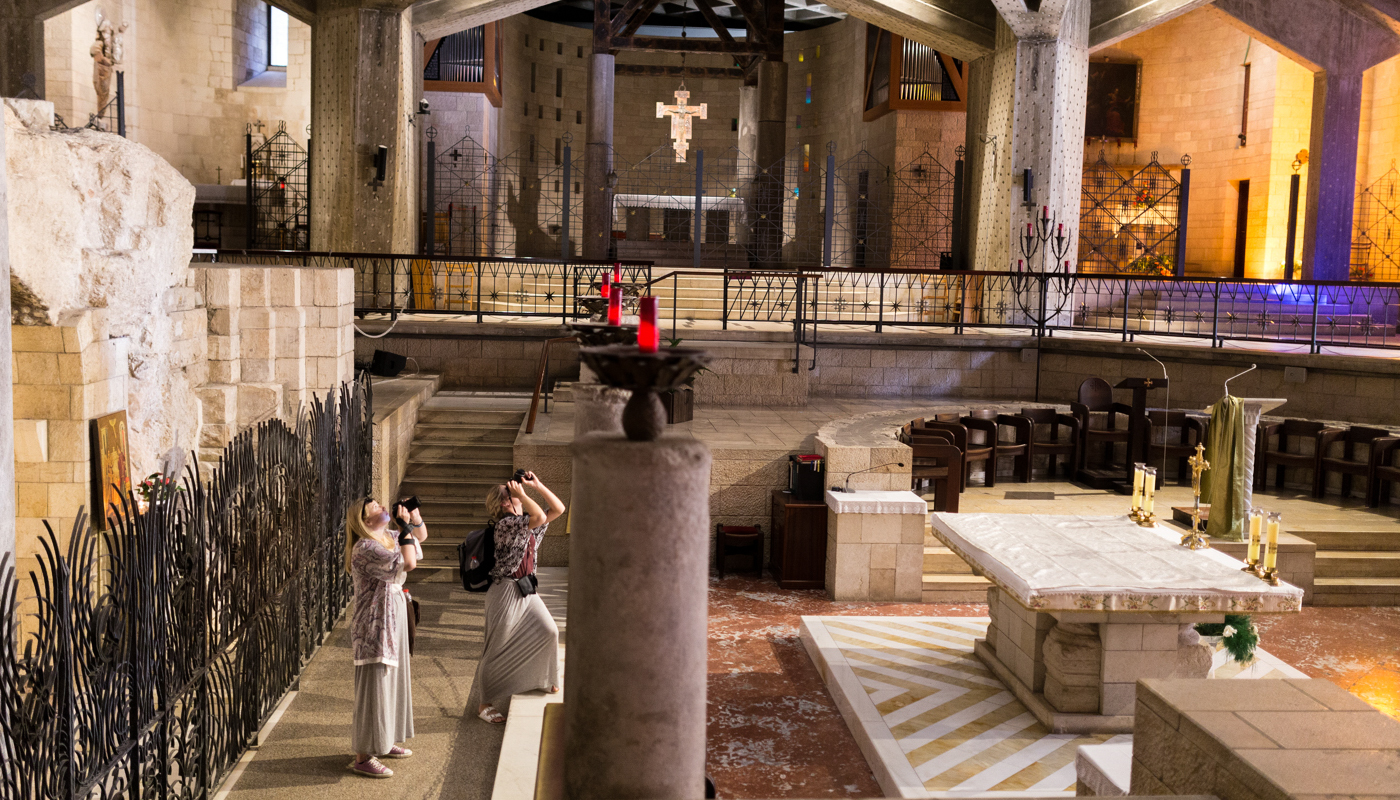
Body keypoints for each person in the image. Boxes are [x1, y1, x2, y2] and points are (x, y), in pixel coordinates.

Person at [472, 471, 565, 723]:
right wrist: (523, 495)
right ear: (504, 503)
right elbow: (540, 516)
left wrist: (537, 485)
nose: (516, 492)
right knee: (496, 647)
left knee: (549, 631)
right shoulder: (506, 525)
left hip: (526, 588)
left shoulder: (527, 523)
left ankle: (544, 677)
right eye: (510, 492)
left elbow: (558, 509)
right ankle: (484, 704)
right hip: (505, 591)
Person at [345, 497, 427, 778]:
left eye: (380, 504)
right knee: (375, 684)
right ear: (364, 519)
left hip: (393, 615)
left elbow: (420, 537)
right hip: (374, 624)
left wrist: (413, 517)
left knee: (393, 680)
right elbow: (409, 562)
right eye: (375, 507)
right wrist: (405, 527)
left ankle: (384, 739)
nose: (382, 507)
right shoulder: (365, 547)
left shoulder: (389, 536)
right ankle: (363, 756)